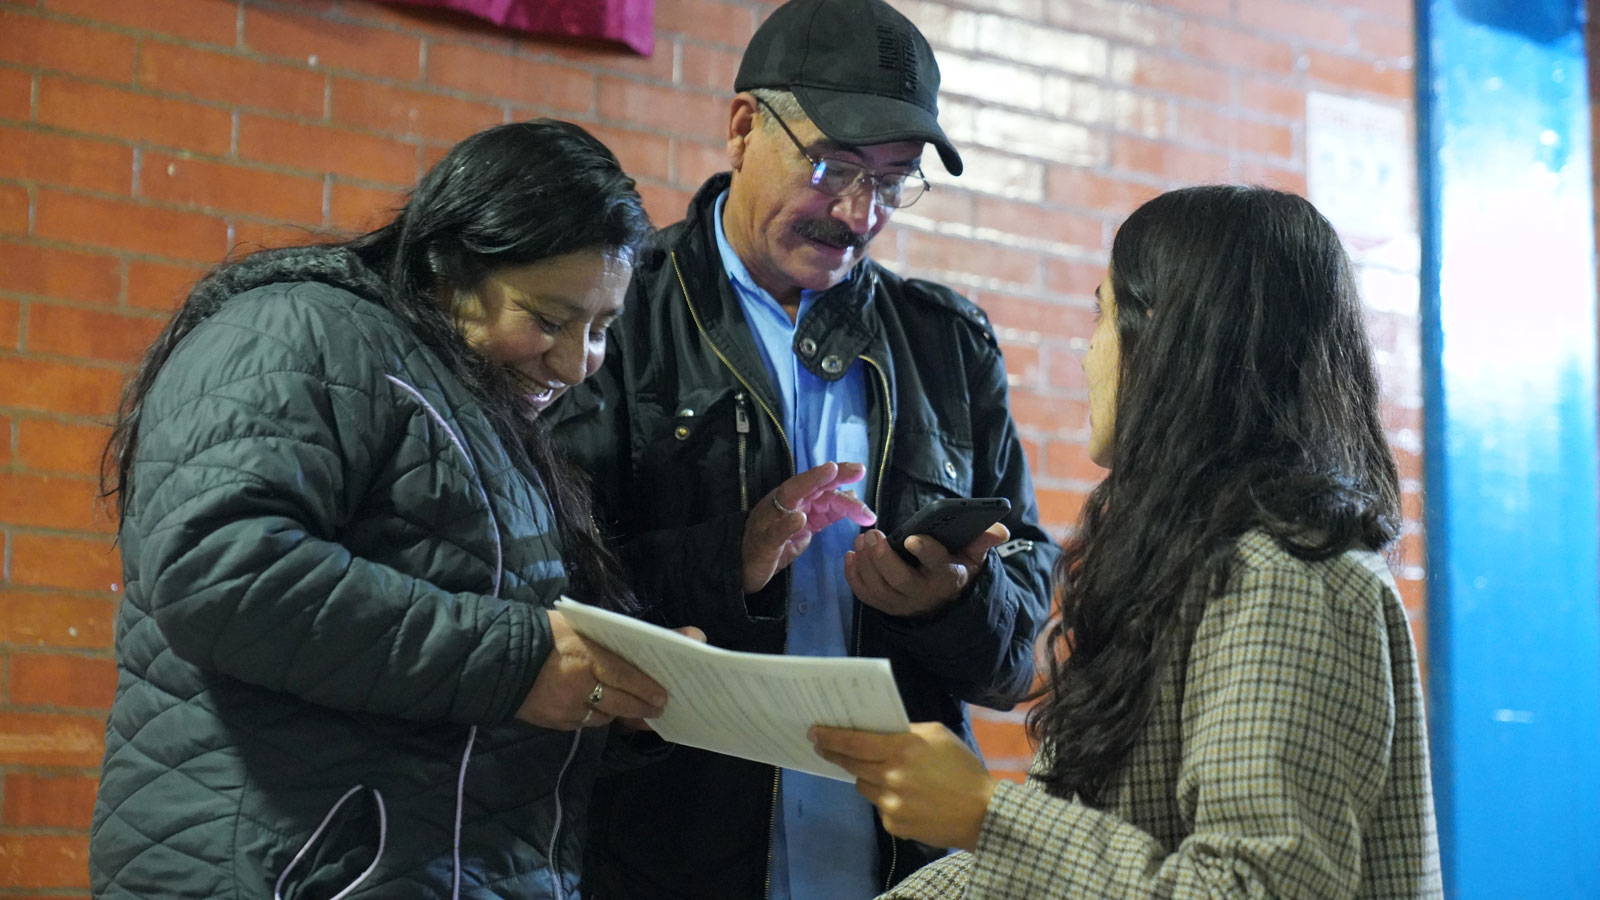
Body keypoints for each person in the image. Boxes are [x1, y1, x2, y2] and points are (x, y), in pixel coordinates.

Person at [90, 120, 684, 900]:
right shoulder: (300, 332)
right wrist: (520, 663)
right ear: (449, 265)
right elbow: (221, 572)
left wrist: (609, 682)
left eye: (601, 329)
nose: (576, 363)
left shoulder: (470, 397)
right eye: (546, 318)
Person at [544, 0, 1058, 896]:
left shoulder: (946, 344)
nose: (858, 214)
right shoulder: (616, 315)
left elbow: (1018, 660)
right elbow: (542, 580)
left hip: (900, 870)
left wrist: (948, 603)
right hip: (660, 855)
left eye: (893, 181)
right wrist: (727, 563)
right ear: (744, 127)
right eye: (832, 167)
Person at [812, 185, 1445, 899]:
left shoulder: (1286, 579)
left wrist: (988, 816)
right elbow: (1061, 864)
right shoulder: (1187, 564)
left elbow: (1248, 888)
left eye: (1103, 316)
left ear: (1174, 343)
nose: (1088, 355)